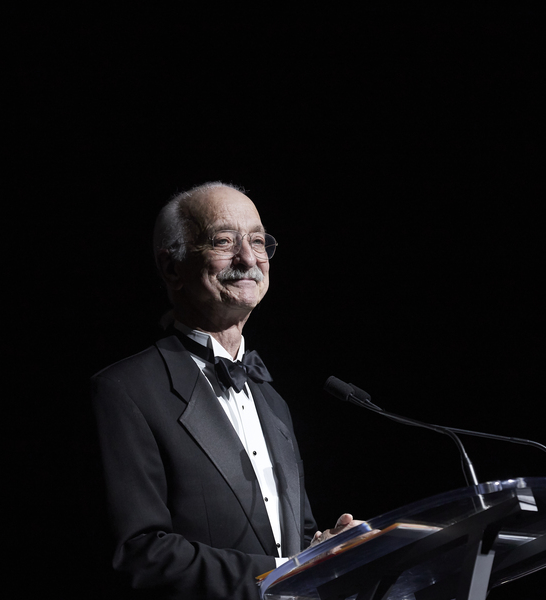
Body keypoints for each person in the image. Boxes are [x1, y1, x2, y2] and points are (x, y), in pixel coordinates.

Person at [91, 182, 357, 599]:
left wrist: (329, 549)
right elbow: (139, 552)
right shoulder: (124, 391)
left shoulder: (272, 400)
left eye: (256, 240)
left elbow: (296, 539)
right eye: (223, 241)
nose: (248, 258)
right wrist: (281, 573)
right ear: (172, 268)